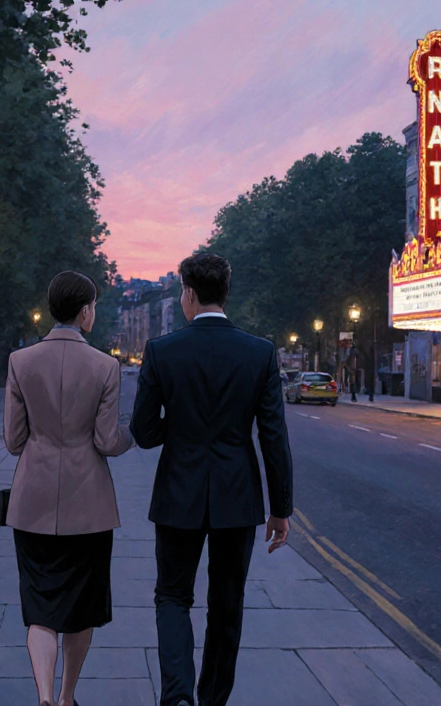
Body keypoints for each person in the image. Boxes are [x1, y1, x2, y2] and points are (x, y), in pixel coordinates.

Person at [130, 252, 294, 706]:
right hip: (237, 496)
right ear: (226, 292)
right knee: (227, 605)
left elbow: (143, 432)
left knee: (172, 596)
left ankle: (178, 695)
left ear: (187, 293)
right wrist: (281, 507)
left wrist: (179, 429)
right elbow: (274, 437)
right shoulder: (259, 352)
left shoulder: (162, 352)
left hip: (178, 491)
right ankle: (212, 699)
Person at [4, 270, 134, 706]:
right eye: (94, 306)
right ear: (84, 312)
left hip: (32, 502)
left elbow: (12, 440)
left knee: (39, 605)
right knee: (82, 607)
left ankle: (41, 696)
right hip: (89, 506)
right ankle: (66, 697)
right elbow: (106, 442)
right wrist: (135, 433)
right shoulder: (105, 366)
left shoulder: (20, 362)